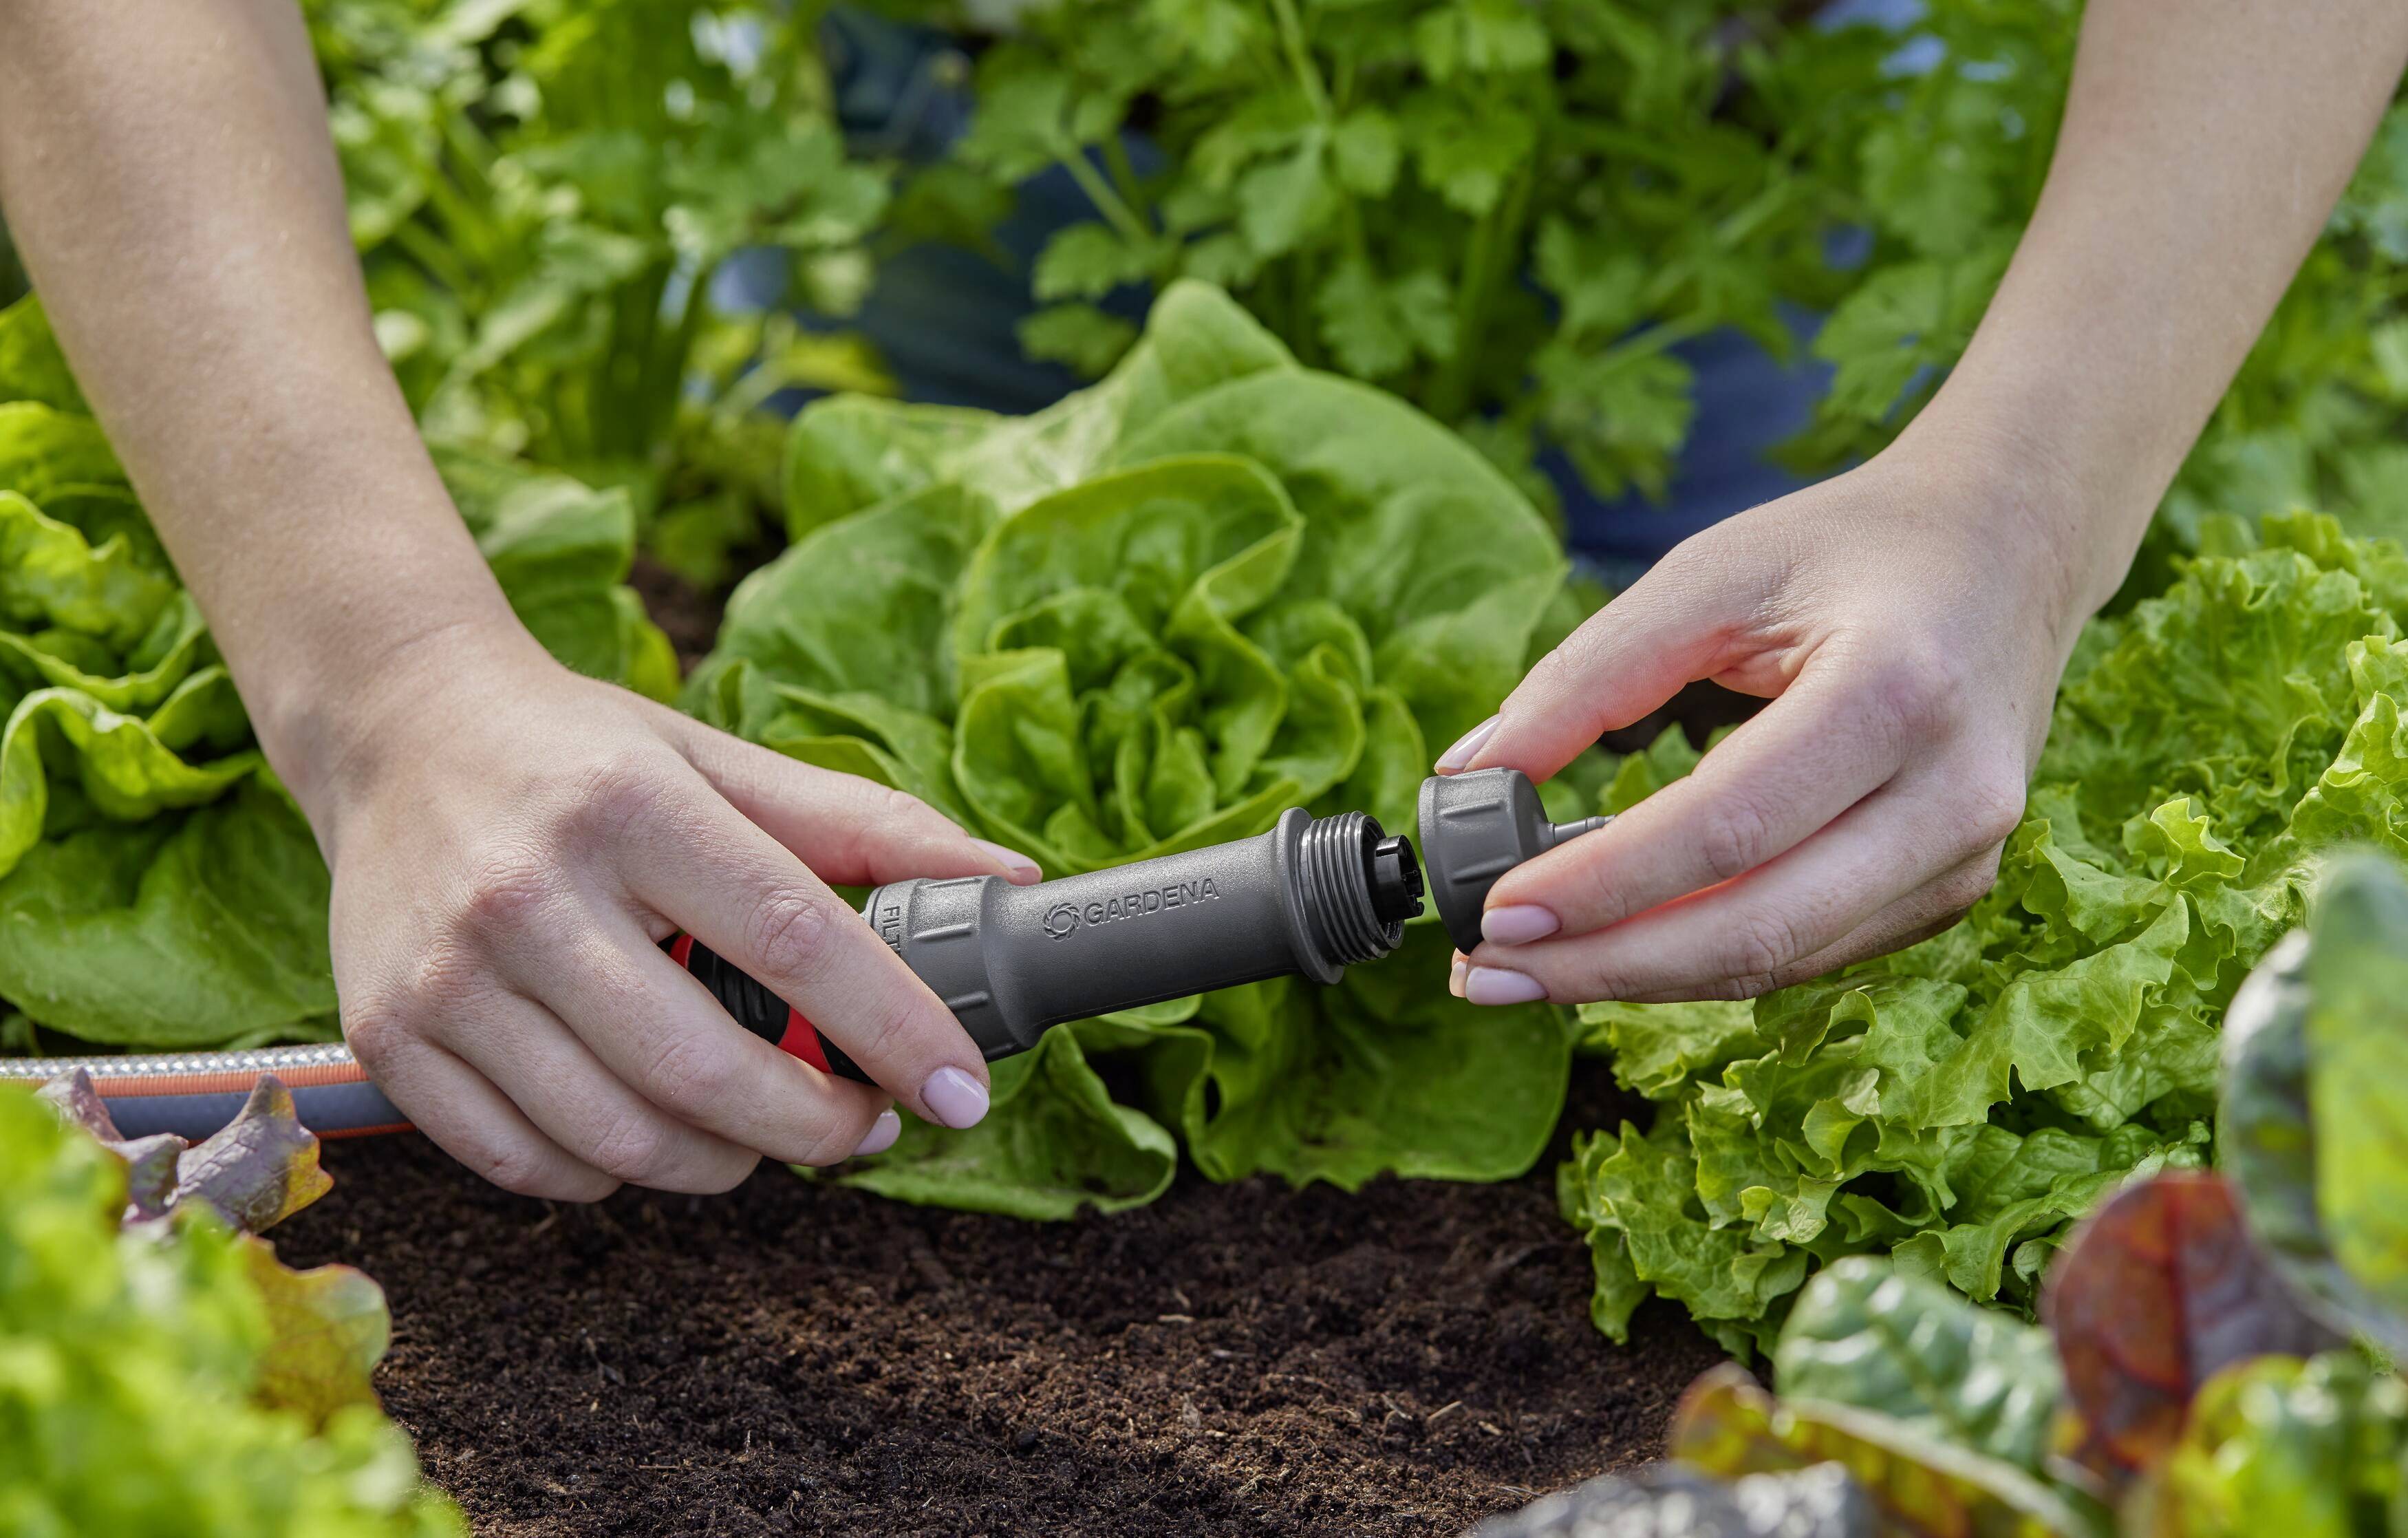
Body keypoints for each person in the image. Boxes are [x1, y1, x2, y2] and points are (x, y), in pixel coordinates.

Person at [0, 0, 2400, 1203]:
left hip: (1727, 164)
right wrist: (393, 676)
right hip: (975, 111)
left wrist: (2013, 501)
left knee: (1784, 807)